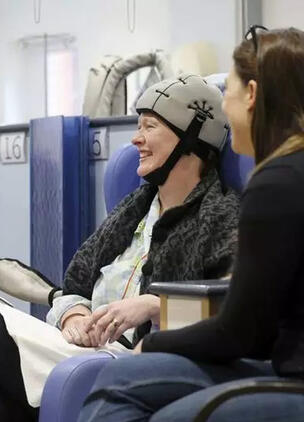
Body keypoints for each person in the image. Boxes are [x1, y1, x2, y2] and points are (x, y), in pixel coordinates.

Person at [0, 75, 240, 422]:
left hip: (135, 361)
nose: (137, 139)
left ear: (192, 138)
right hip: (79, 349)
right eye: (138, 127)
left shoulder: (222, 219)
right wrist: (74, 315)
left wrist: (154, 306)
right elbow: (72, 288)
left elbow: (230, 314)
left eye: (150, 127)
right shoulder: (133, 210)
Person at [78, 27, 304, 422]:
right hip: (278, 359)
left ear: (251, 94)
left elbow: (239, 332)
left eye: (229, 92)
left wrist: (153, 344)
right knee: (124, 376)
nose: (225, 109)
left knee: (126, 386)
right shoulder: (287, 177)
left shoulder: (275, 185)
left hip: (291, 375)